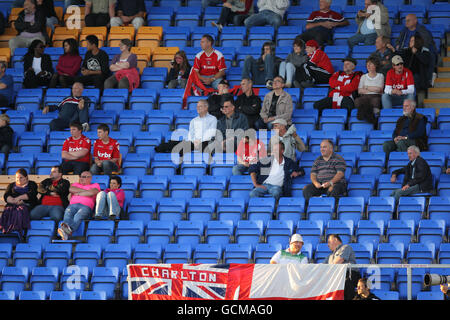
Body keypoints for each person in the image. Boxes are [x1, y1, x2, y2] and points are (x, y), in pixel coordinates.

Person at [57, 171, 100, 240]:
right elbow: (71, 189)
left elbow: (92, 192)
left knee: (78, 216)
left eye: (85, 177)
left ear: (90, 178)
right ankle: (67, 232)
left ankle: (67, 232)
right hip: (72, 205)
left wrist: (78, 193)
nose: (82, 178)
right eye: (81, 176)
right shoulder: (75, 184)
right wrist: (86, 191)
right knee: (68, 214)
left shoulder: (95, 185)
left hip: (86, 206)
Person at [0, 169, 38, 237]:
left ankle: (19, 231)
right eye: (17, 177)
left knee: (20, 210)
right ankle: (8, 230)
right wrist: (13, 200)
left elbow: (32, 194)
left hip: (27, 204)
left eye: (21, 177)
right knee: (8, 210)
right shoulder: (11, 185)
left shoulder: (32, 184)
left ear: (26, 177)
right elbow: (6, 195)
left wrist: (19, 198)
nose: (18, 179)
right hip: (12, 204)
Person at [324, 234, 360, 300]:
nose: (327, 244)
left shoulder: (345, 247)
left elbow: (338, 261)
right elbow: (323, 266)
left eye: (329, 241)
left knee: (347, 287)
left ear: (335, 240)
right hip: (338, 276)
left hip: (349, 274)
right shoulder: (330, 256)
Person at [355, 57, 384, 124]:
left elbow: (379, 89)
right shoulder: (363, 76)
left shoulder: (380, 76)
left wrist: (366, 87)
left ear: (375, 65)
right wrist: (373, 89)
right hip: (364, 97)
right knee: (358, 100)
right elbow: (359, 90)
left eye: (370, 64)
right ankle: (371, 118)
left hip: (375, 96)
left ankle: (362, 114)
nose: (368, 66)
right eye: (367, 64)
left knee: (374, 101)